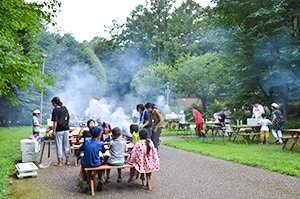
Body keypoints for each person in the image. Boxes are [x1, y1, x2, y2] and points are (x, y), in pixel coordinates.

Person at [78, 126, 107, 192]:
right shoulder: (100, 143)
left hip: (86, 163)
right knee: (103, 164)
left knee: (83, 166)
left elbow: (80, 149)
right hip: (96, 164)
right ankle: (102, 179)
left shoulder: (86, 142)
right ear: (99, 134)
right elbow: (104, 151)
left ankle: (80, 180)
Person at [51, 97, 70, 167]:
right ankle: (67, 161)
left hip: (59, 130)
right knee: (66, 145)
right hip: (66, 129)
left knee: (59, 146)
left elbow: (55, 121)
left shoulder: (55, 110)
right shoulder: (64, 108)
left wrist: (54, 131)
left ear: (54, 103)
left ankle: (59, 162)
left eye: (53, 103)